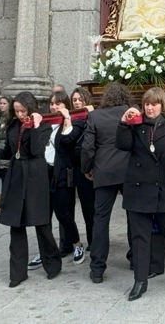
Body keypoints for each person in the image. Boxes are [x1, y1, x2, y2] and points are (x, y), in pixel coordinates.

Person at [116, 87, 165, 301]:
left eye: (154, 104)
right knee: (140, 237)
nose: (149, 108)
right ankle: (140, 280)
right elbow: (122, 145)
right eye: (146, 104)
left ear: (162, 105)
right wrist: (123, 122)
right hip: (138, 189)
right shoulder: (136, 125)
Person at [0, 92, 62, 287]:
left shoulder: (43, 124)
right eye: (16, 110)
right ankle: (17, 273)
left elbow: (37, 150)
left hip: (36, 175)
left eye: (23, 110)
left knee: (41, 222)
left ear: (31, 108)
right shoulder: (13, 125)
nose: (19, 114)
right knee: (15, 223)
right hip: (16, 176)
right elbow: (10, 152)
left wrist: (35, 126)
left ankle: (52, 264)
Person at [81, 82, 133, 283]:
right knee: (133, 216)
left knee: (101, 219)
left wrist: (87, 168)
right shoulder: (131, 111)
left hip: (103, 171)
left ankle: (97, 267)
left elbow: (87, 147)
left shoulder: (95, 116)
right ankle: (135, 259)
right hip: (128, 171)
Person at [48, 90, 86, 264]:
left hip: (62, 172)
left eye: (58, 103)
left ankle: (76, 243)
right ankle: (47, 248)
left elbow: (68, 140)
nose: (54, 107)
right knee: (43, 214)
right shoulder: (46, 123)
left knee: (63, 212)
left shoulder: (75, 122)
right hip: (44, 172)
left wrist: (67, 118)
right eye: (52, 103)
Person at [70, 88, 95, 250]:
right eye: (75, 100)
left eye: (81, 99)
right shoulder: (69, 118)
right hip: (74, 166)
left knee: (91, 207)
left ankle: (94, 241)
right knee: (77, 207)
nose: (77, 102)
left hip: (89, 167)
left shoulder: (92, 116)